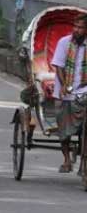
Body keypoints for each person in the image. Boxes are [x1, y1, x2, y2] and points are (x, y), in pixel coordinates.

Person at [51, 14, 87, 173]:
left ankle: (83, 163)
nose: (77, 30)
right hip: (66, 92)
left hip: (84, 92)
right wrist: (65, 84)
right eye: (76, 26)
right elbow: (58, 66)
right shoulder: (64, 42)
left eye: (81, 27)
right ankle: (66, 159)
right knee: (63, 127)